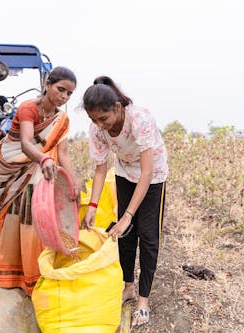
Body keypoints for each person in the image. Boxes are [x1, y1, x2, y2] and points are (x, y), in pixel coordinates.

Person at [81, 76, 168, 327]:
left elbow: (147, 172)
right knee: (125, 235)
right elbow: (100, 169)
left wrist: (128, 214)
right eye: (93, 120)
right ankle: (128, 287)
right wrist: (93, 206)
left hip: (153, 176)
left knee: (148, 237)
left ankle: (143, 300)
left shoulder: (140, 119)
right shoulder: (97, 129)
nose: (99, 125)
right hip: (124, 173)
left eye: (103, 119)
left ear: (117, 108)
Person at [0, 66, 79, 296]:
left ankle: (33, 274)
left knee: (33, 216)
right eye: (61, 89)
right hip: (13, 164)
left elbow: (65, 155)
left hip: (37, 169)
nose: (64, 97)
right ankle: (12, 273)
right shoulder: (29, 108)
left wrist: (74, 183)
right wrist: (43, 159)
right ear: (48, 85)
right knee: (15, 215)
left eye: (69, 94)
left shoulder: (62, 119)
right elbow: (26, 143)